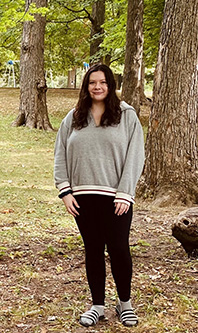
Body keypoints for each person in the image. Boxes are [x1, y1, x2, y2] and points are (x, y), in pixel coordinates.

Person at [54, 63, 145, 328]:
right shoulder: (73, 117)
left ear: (111, 85)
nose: (97, 87)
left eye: (103, 82)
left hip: (117, 198)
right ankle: (97, 306)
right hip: (82, 197)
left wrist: (125, 193)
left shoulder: (126, 116)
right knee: (93, 249)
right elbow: (60, 153)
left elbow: (135, 156)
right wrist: (65, 191)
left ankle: (125, 304)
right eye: (92, 82)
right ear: (86, 86)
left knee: (118, 248)